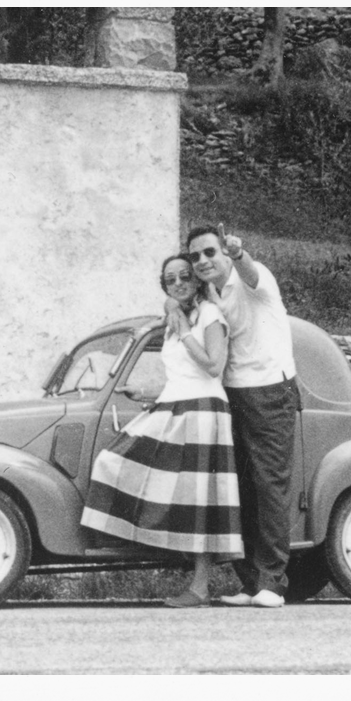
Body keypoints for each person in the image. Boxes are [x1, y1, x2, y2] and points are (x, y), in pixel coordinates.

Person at [81, 253, 243, 608]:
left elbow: (213, 366)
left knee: (200, 502)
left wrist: (185, 331)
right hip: (176, 404)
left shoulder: (210, 316)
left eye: (186, 276)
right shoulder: (175, 319)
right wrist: (144, 393)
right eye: (171, 280)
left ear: (197, 280)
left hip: (202, 412)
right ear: (165, 286)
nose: (180, 283)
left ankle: (200, 587)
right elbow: (182, 377)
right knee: (113, 462)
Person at [168, 224, 298, 609]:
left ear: (223, 252)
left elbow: (252, 273)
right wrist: (171, 305)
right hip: (232, 393)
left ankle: (273, 584)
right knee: (238, 489)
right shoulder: (208, 294)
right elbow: (177, 297)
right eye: (196, 257)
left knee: (269, 485)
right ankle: (251, 581)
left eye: (210, 252)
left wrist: (240, 253)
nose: (203, 261)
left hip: (270, 391)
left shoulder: (253, 279)